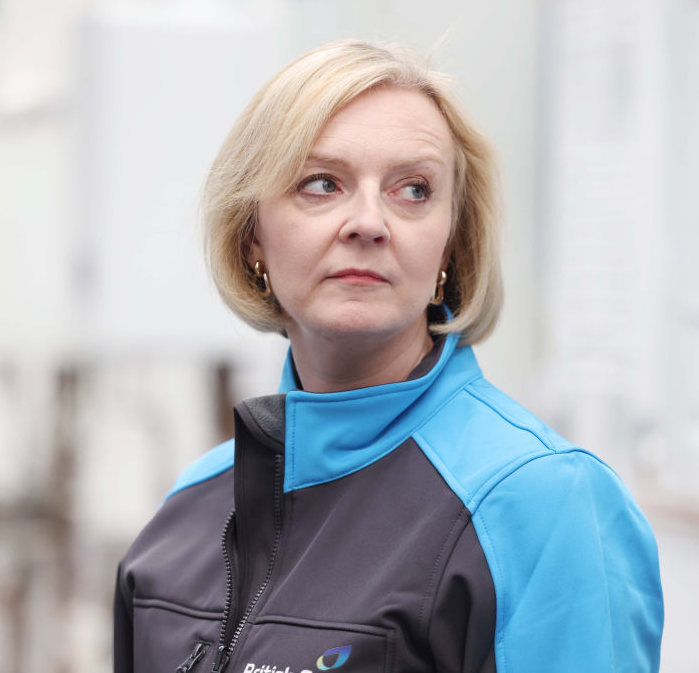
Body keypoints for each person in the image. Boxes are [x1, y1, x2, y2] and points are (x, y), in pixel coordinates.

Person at [114, 40, 663, 673]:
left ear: (450, 246)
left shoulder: (540, 503)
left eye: (414, 190)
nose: (368, 222)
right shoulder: (191, 508)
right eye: (322, 184)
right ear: (252, 236)